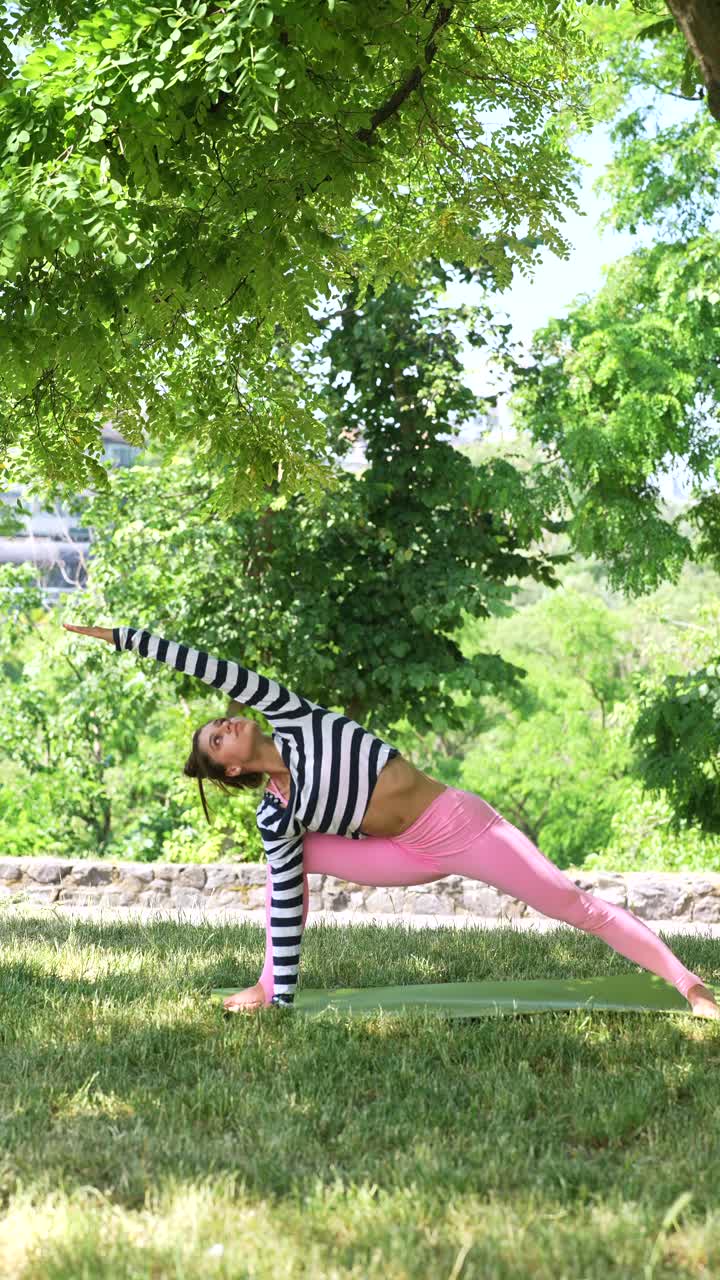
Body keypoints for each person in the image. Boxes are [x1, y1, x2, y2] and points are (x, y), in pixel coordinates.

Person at [63, 622, 720, 1020]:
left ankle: (687, 983)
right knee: (283, 869)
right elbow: (290, 904)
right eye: (216, 741)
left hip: (457, 823)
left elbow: (208, 664)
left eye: (221, 723)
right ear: (231, 770)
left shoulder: (292, 716)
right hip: (399, 853)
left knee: (571, 902)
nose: (226, 726)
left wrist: (127, 640)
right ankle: (272, 989)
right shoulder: (277, 811)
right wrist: (284, 994)